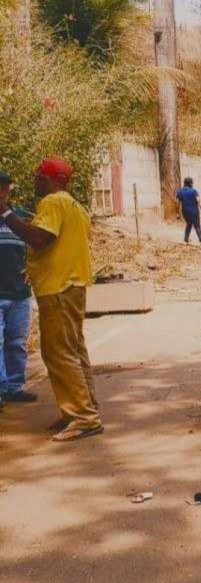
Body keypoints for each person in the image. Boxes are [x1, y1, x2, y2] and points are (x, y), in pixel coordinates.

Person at [0, 157, 102, 441]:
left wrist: (6, 213)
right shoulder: (75, 206)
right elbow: (57, 246)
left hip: (59, 289)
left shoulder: (54, 202)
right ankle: (82, 409)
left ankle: (83, 417)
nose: (36, 182)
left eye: (40, 177)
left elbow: (40, 238)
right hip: (72, 286)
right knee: (74, 350)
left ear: (55, 179)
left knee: (59, 353)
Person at [0, 172, 36, 407]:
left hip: (20, 293)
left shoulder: (20, 217)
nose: (1, 194)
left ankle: (14, 387)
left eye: (4, 189)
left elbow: (37, 245)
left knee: (16, 342)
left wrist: (34, 269)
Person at [176, 177, 201, 244]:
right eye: (192, 183)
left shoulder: (179, 191)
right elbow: (198, 202)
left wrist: (177, 213)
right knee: (197, 225)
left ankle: (186, 240)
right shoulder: (194, 191)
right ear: (190, 183)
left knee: (189, 224)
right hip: (194, 211)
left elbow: (177, 204)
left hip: (185, 212)